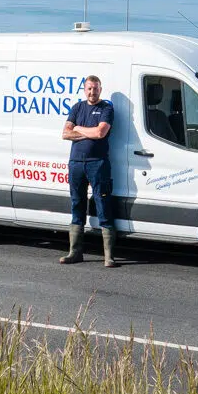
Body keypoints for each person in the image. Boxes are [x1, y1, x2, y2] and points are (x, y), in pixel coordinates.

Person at [60, 74, 118, 267]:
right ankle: (74, 252)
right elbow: (65, 133)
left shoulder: (106, 108)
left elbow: (100, 132)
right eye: (89, 88)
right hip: (76, 163)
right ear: (84, 90)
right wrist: (87, 131)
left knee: (103, 203)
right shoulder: (77, 107)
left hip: (98, 163)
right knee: (77, 204)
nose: (92, 92)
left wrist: (78, 128)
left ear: (100, 89)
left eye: (95, 88)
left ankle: (108, 256)